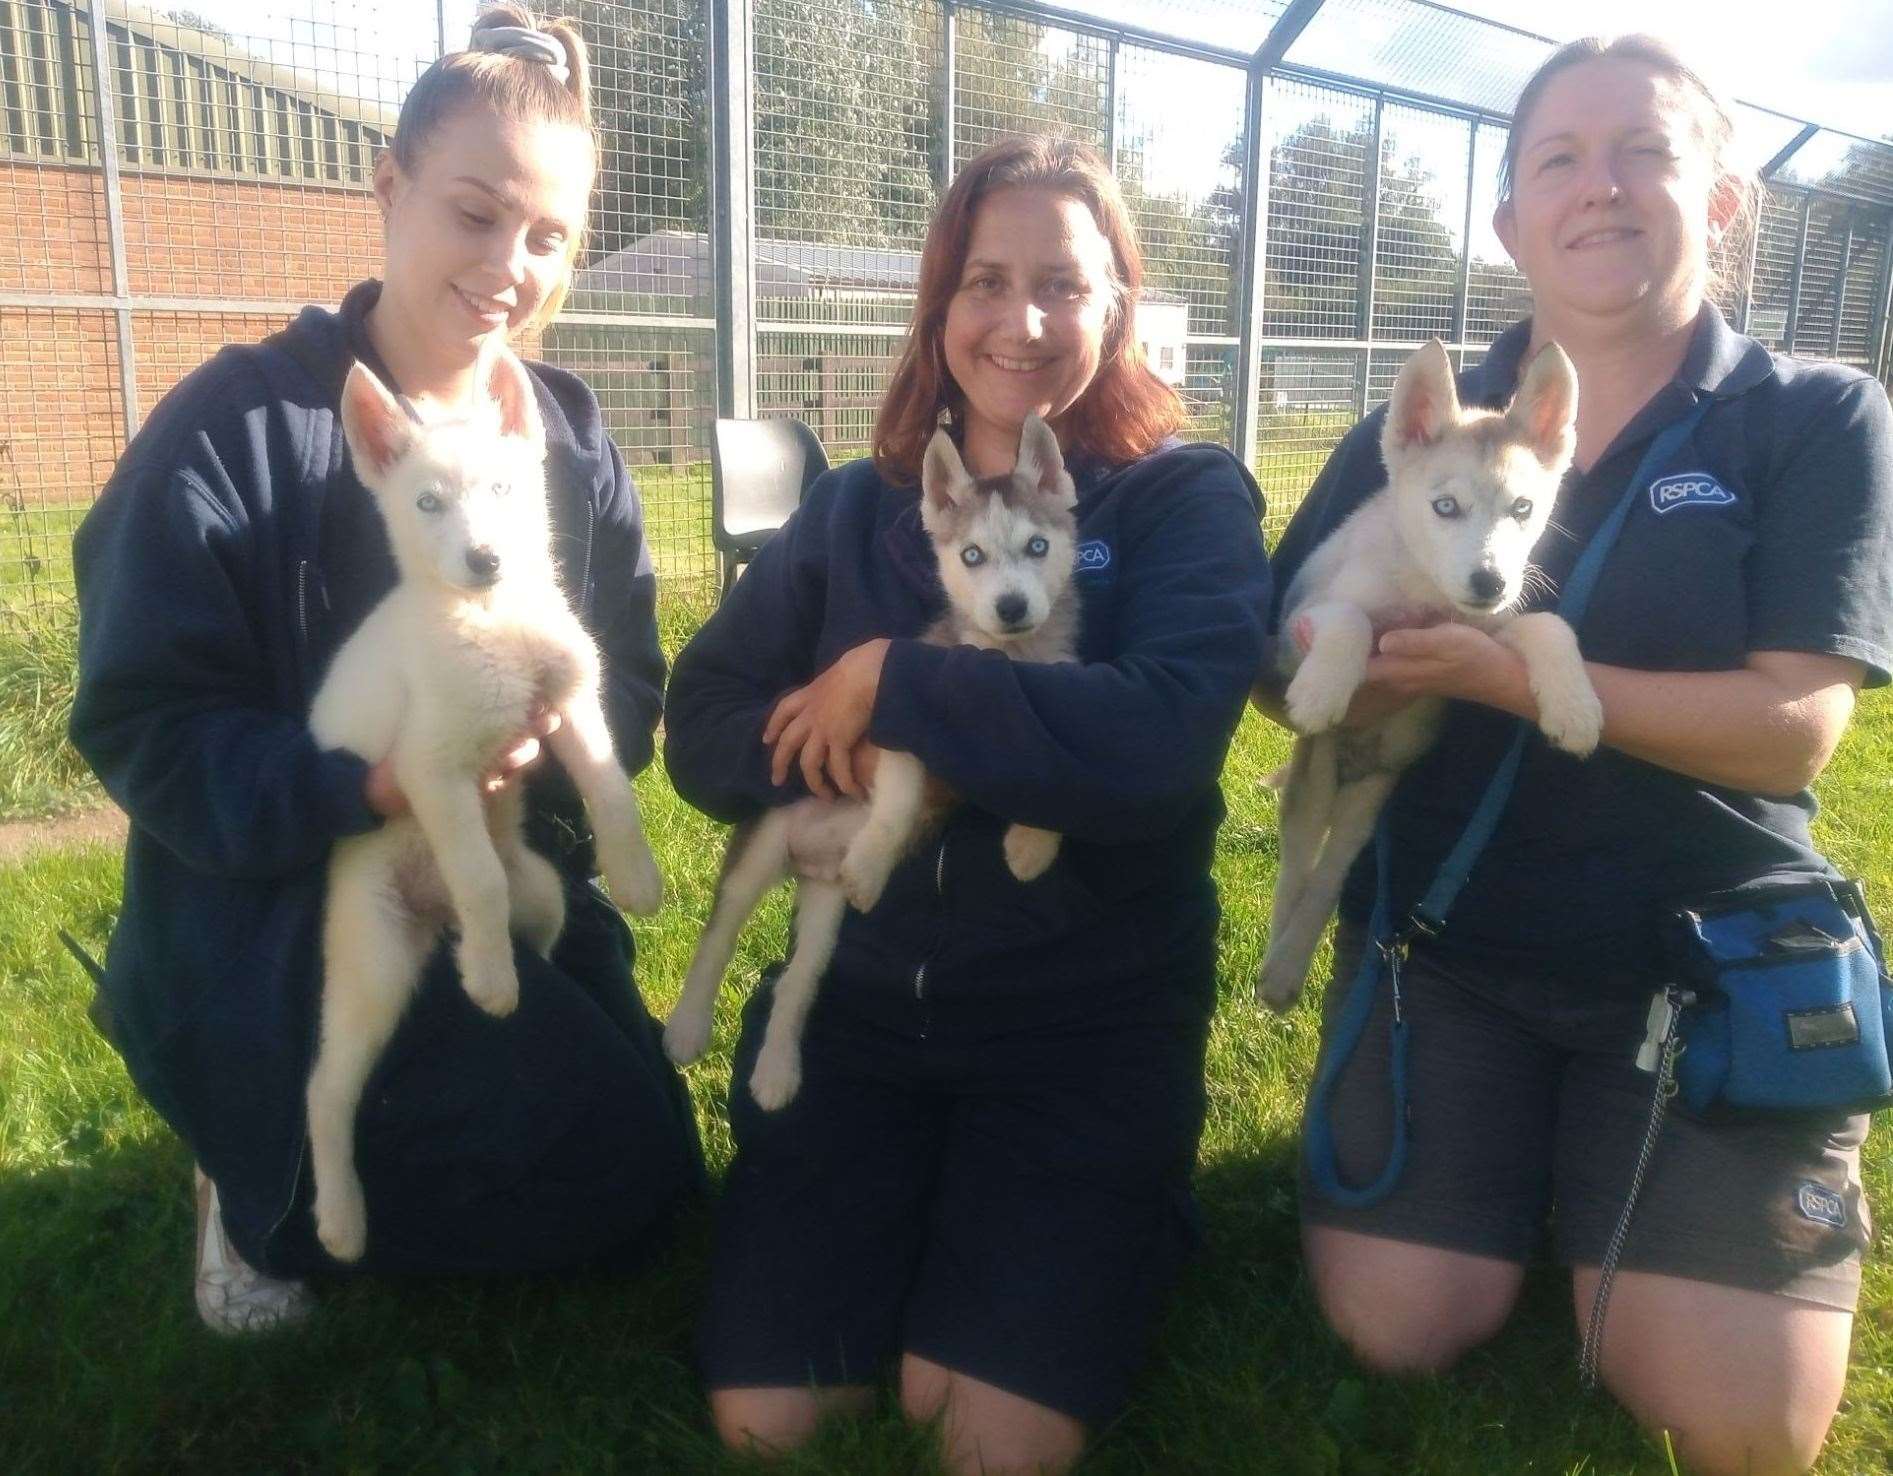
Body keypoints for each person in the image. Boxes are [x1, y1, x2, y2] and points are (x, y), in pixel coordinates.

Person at [1263, 35, 1892, 1476]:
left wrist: (1510, 671)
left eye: (1645, 152)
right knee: (1392, 1330)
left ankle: (1632, 1178)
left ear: (1723, 197)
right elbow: (1277, 661)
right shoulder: (1414, 427)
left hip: (1701, 953)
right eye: (1557, 157)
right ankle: (1533, 1173)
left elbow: (1796, 726)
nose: (1598, 187)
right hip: (1450, 939)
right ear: (1508, 221)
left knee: (1738, 1423)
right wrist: (1330, 664)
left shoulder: (1811, 415)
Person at [68, 5, 702, 1335]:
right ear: (389, 185)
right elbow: (141, 716)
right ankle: (250, 1189)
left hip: (486, 864)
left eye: (548, 238)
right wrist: (363, 791)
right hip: (278, 911)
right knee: (438, 1172)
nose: (508, 268)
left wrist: (553, 746)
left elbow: (626, 671)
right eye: (475, 214)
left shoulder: (562, 434)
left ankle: (390, 1134)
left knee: (640, 1185)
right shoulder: (240, 427)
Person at [664, 135, 1270, 1474]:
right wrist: (848, 755)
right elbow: (704, 726)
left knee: (985, 1438)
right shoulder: (851, 510)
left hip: (1081, 1022)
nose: (1022, 320)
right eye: (985, 281)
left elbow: (1160, 740)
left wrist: (898, 686)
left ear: (1116, 298)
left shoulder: (1182, 496)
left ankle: (1108, 1202)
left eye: (1062, 282)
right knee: (770, 1419)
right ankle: (914, 1200)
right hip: (863, 1013)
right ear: (940, 306)